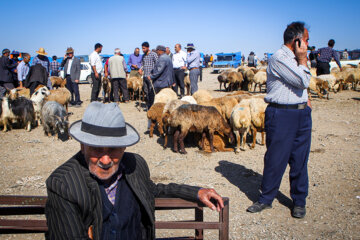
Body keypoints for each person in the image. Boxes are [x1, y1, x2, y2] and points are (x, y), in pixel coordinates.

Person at [45, 101, 224, 239]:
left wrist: (196, 192)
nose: (106, 160)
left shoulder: (134, 164)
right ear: (83, 146)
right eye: (97, 149)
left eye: (114, 149)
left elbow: (153, 190)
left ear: (124, 148)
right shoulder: (64, 184)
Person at [247, 21, 312, 219]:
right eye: (306, 40)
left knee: (300, 159)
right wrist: (302, 61)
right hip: (282, 114)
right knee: (276, 159)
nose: (308, 44)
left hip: (301, 114)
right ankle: (266, 198)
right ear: (297, 40)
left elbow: (303, 85)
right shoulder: (279, 58)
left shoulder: (298, 58)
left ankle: (299, 201)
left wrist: (306, 99)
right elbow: (303, 80)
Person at [139, 42, 158, 110]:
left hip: (151, 77)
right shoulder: (143, 56)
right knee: (146, 91)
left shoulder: (153, 54)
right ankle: (148, 105)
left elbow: (157, 64)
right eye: (142, 48)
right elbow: (143, 64)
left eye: (144, 48)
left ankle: (152, 106)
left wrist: (154, 74)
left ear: (148, 47)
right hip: (145, 76)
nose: (143, 50)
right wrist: (141, 69)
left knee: (151, 92)